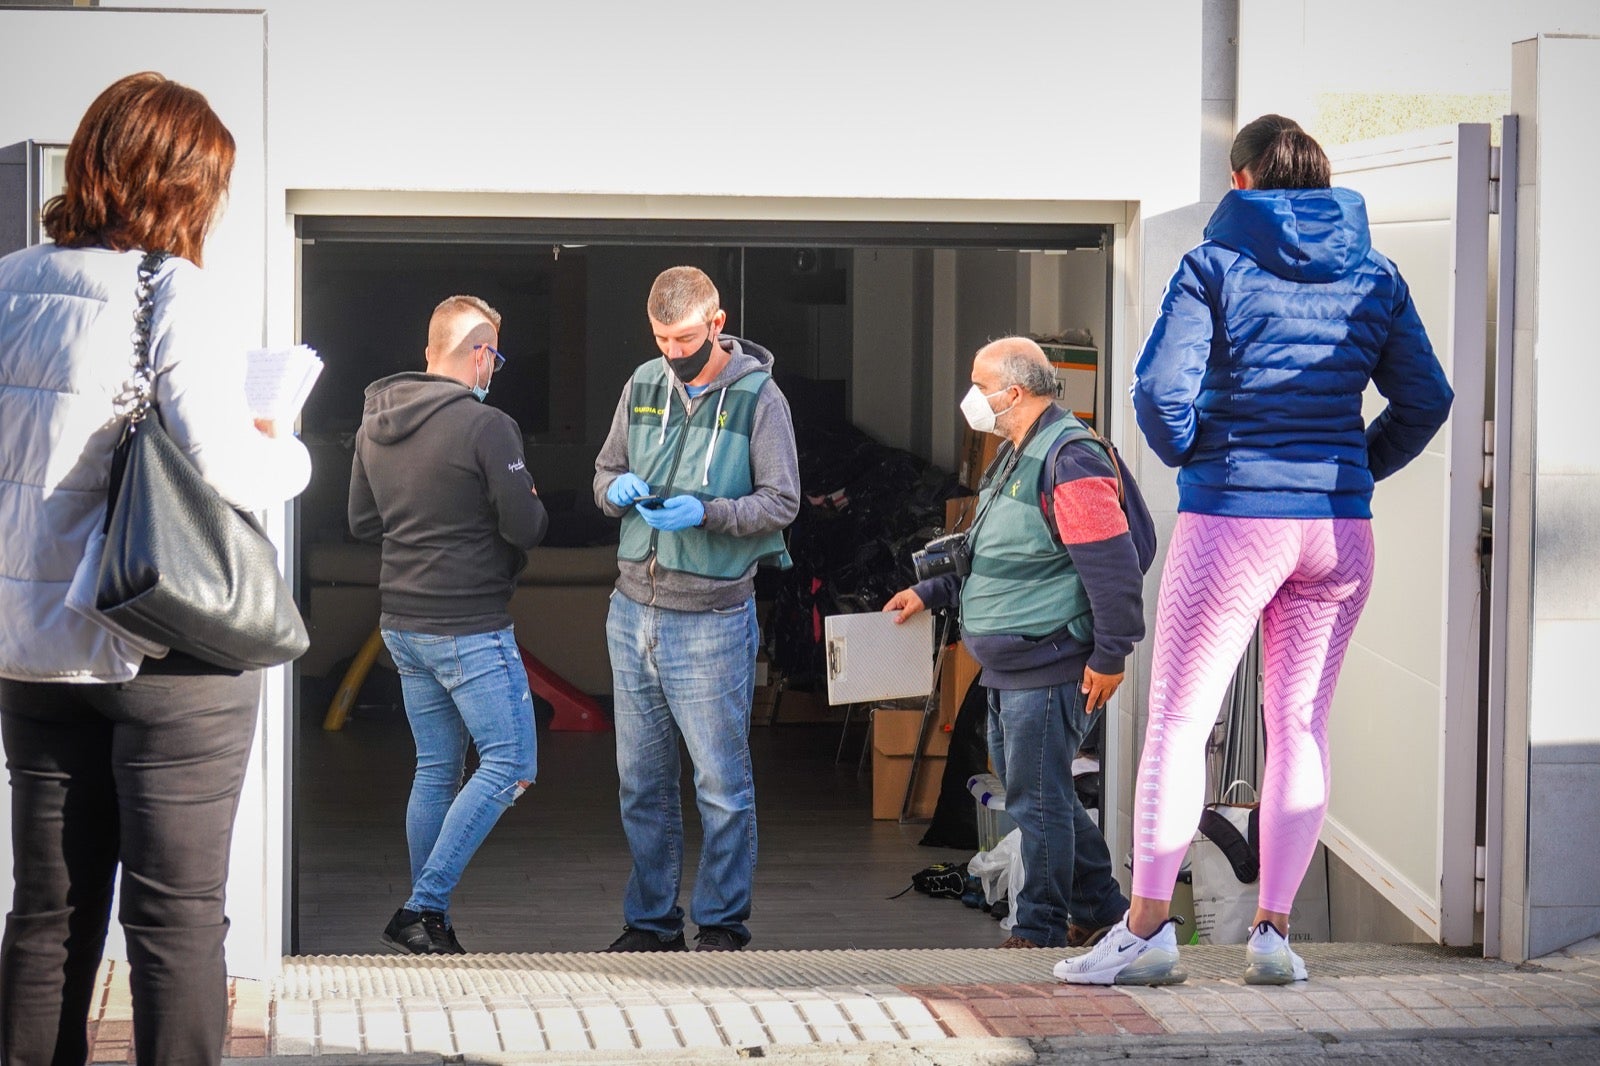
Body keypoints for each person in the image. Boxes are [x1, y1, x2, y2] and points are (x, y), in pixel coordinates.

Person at [1057, 115, 1454, 988]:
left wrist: (1197, 457)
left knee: (1178, 724)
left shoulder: (1214, 265)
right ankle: (1273, 934)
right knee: (1300, 726)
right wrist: (1354, 471)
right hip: (1338, 532)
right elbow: (1428, 397)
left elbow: (1161, 394)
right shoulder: (1375, 272)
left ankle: (1147, 931)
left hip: (1234, 517)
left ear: (1242, 183)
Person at [0, 73, 311, 1065]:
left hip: (33, 656)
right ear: (181, 188)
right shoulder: (173, 290)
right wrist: (287, 441)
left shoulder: (4, 284)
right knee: (176, 924)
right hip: (165, 647)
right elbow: (224, 465)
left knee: (46, 918)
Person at [884, 337, 1150, 950]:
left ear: (1016, 391)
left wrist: (1113, 654)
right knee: (1042, 797)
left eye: (980, 384)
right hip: (1013, 666)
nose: (971, 396)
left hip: (1050, 660)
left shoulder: (1070, 458)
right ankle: (1102, 909)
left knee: (1036, 802)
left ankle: (1039, 928)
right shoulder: (1013, 453)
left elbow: (1110, 568)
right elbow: (994, 553)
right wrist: (934, 591)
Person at [593, 266, 799, 952]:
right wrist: (614, 489)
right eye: (660, 338)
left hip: (711, 617)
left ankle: (720, 923)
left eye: (684, 338)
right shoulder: (642, 382)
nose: (672, 352)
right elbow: (601, 473)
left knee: (720, 783)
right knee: (640, 785)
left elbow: (782, 501)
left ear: (717, 323)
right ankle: (650, 922)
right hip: (631, 611)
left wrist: (706, 513)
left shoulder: (760, 398)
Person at [348, 294, 548, 955]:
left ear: (430, 350)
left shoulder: (375, 419)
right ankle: (423, 906)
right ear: (480, 353)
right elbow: (526, 525)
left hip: (402, 622)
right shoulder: (486, 426)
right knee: (511, 763)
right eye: (495, 354)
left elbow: (362, 522)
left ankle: (428, 922)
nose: (495, 368)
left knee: (437, 768)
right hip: (468, 623)